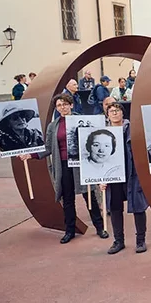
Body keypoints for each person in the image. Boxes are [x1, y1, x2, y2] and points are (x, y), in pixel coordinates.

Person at [19, 94, 107, 243]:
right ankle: (70, 230)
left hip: (81, 163)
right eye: (59, 105)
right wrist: (31, 155)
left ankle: (99, 227)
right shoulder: (53, 126)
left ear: (71, 105)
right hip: (63, 165)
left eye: (65, 104)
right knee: (67, 198)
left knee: (89, 195)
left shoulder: (82, 120)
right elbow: (48, 147)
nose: (62, 107)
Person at [100, 102, 149, 254]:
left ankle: (140, 240)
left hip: (132, 174)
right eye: (111, 111)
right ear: (107, 115)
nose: (114, 113)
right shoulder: (102, 133)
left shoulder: (133, 130)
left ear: (123, 113)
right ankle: (118, 241)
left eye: (117, 110)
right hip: (113, 175)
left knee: (138, 207)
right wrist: (100, 178)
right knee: (115, 208)